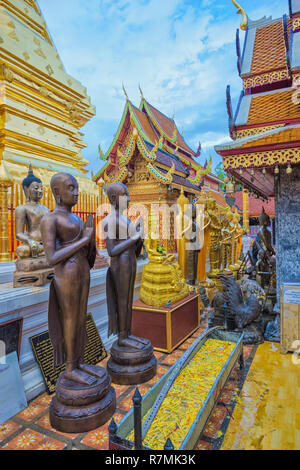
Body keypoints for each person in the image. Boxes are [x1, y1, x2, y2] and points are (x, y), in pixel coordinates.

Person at [41, 172, 100, 386]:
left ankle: (79, 362)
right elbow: (51, 257)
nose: (76, 192)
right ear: (57, 192)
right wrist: (83, 240)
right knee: (70, 318)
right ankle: (69, 368)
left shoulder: (75, 218)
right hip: (65, 273)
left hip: (82, 270)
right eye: (70, 188)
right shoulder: (50, 219)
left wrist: (90, 240)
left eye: (76, 187)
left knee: (81, 317)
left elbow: (87, 247)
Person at [102, 182, 146, 350]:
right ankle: (122, 337)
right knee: (122, 299)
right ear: (113, 198)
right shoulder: (109, 220)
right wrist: (134, 239)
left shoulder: (125, 219)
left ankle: (127, 333)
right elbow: (112, 250)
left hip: (130, 261)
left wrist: (139, 237)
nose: (128, 200)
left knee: (128, 299)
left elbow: (132, 247)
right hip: (119, 264)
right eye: (124, 196)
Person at [15, 164, 49, 259]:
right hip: (33, 244)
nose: (40, 191)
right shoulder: (22, 209)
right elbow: (19, 234)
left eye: (41, 188)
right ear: (26, 190)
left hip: (47, 243)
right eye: (36, 188)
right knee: (22, 251)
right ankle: (47, 253)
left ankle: (46, 252)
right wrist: (30, 241)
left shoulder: (45, 209)